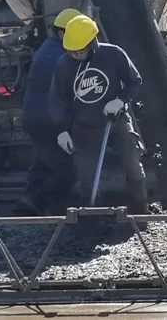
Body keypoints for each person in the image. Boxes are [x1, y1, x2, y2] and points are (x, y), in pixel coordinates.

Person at [47, 14, 149, 213]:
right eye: (72, 51)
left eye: (81, 50)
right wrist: (62, 130)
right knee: (87, 177)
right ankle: (92, 217)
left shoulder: (114, 55)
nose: (77, 54)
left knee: (132, 164)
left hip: (117, 122)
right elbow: (57, 99)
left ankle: (140, 209)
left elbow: (134, 82)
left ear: (93, 42)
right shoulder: (64, 64)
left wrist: (119, 100)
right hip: (85, 127)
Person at [15, 8, 82, 215]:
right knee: (68, 169)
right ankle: (48, 205)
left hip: (36, 117)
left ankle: (28, 200)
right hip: (47, 121)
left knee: (43, 161)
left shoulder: (48, 47)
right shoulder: (61, 57)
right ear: (63, 33)